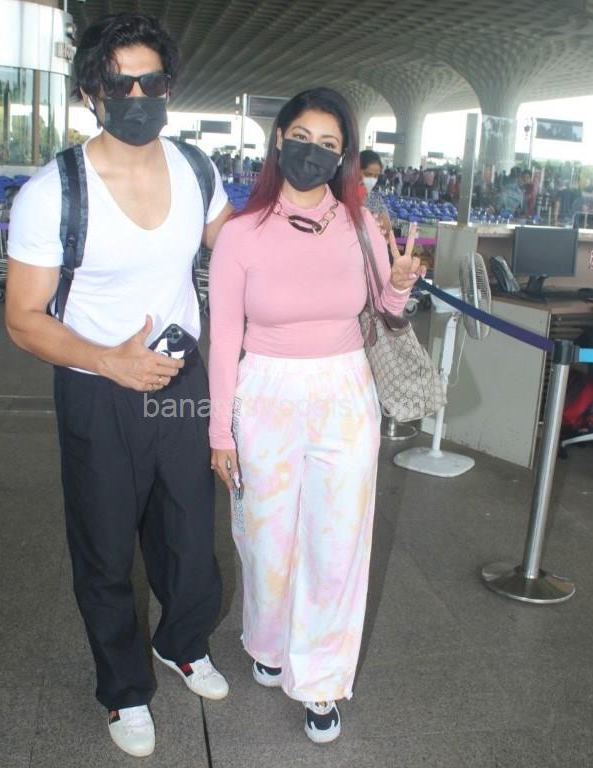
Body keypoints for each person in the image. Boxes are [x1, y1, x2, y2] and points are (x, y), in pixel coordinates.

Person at [4, 13, 232, 758]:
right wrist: (109, 361)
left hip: (181, 379)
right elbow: (23, 319)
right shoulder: (53, 193)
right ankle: (124, 688)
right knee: (105, 549)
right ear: (90, 93)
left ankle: (182, 642)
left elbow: (238, 252)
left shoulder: (196, 170)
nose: (137, 97)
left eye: (151, 82)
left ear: (170, 88)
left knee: (190, 536)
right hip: (98, 389)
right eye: (119, 83)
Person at [208, 87, 422, 744]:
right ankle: (269, 638)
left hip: (344, 390)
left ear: (343, 156)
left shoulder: (361, 225)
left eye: (329, 144)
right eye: (302, 137)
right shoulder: (240, 234)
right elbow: (224, 336)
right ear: (279, 139)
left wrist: (400, 285)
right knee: (266, 535)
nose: (313, 152)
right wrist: (219, 432)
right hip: (264, 390)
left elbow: (385, 308)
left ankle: (322, 678)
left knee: (338, 539)